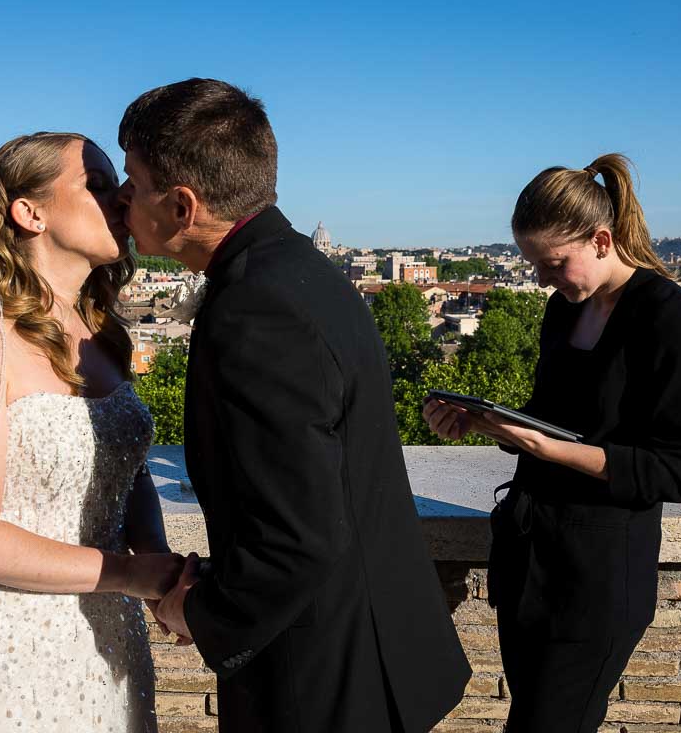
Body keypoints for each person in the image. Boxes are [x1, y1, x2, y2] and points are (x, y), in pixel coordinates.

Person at [115, 78, 471, 732]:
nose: (121, 199)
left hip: (326, 679)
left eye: (132, 182)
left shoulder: (257, 307)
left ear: (182, 205)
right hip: (362, 653)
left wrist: (196, 613)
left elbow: (296, 535)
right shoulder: (295, 270)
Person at [0, 132, 184, 732]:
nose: (122, 200)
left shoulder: (102, 336)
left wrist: (158, 563)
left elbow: (127, 468)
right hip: (2, 653)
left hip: (109, 642)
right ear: (30, 212)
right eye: (96, 186)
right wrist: (129, 574)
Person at [424, 154, 681, 733]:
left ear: (602, 240)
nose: (542, 279)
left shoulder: (673, 319)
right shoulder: (564, 311)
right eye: (533, 264)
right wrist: (485, 424)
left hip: (599, 573)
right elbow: (550, 422)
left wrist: (543, 449)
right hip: (531, 559)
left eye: (553, 263)